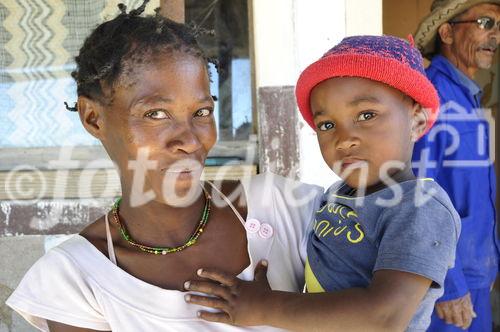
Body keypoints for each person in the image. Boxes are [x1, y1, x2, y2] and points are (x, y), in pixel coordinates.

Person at [5, 2, 324, 331]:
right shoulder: (76, 279)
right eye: (155, 114)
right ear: (93, 117)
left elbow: (378, 311)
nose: (189, 140)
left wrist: (277, 308)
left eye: (201, 112)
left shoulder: (281, 209)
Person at [183, 35, 461, 331]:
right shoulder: (337, 196)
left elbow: (385, 317)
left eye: (366, 115)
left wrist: (265, 306)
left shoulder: (420, 207)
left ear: (417, 120)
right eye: (327, 125)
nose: (344, 139)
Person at [412, 1, 500, 330]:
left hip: (475, 275)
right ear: (447, 32)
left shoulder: (466, 95)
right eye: (484, 22)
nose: (495, 35)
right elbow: (417, 195)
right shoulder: (432, 96)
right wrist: (448, 285)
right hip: (449, 288)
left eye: (499, 26)